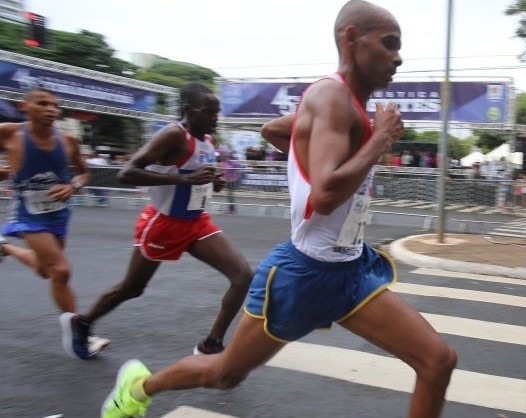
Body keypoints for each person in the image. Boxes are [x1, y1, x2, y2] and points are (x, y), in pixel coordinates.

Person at [101, 2, 456, 417]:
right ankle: (138, 387)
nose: (398, 57)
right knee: (226, 374)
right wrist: (377, 142)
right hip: (304, 273)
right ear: (351, 39)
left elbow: (274, 131)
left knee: (438, 361)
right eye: (389, 44)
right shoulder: (331, 97)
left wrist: (304, 160)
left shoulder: (346, 106)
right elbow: (323, 196)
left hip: (350, 271)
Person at [76, 82, 253, 360]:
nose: (215, 118)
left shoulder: (207, 139)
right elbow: (127, 172)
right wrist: (185, 179)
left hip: (196, 223)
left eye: (217, 112)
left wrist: (212, 182)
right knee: (132, 288)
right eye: (209, 112)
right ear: (188, 111)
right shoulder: (173, 134)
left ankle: (211, 343)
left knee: (243, 276)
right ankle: (83, 322)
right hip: (163, 224)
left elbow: (197, 179)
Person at [0, 87, 108, 359]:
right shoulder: (9, 133)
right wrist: (4, 172)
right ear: (25, 107)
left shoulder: (68, 140)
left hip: (59, 214)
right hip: (27, 214)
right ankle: (81, 335)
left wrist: (73, 185)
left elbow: (84, 173)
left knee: (44, 270)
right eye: (42, 103)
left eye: (55, 105)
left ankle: (5, 248)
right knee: (60, 270)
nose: (51, 109)